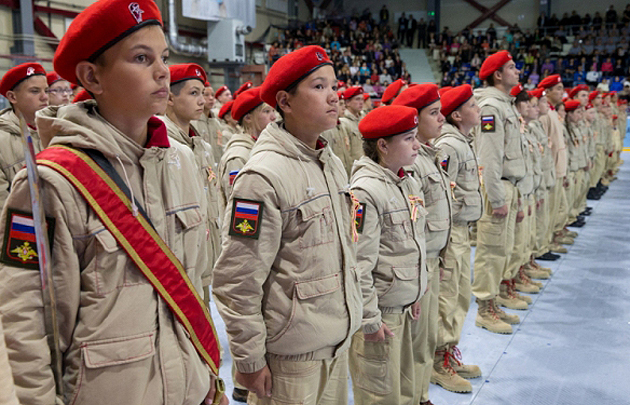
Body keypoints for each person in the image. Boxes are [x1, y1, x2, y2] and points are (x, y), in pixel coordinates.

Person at [0, 1, 227, 403]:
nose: (162, 71)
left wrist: (206, 372)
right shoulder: (51, 183)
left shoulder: (181, 161)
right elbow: (26, 323)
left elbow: (187, 284)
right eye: (141, 58)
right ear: (93, 77)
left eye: (164, 58)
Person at [212, 45, 362, 405]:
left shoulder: (329, 163)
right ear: (285, 101)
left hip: (334, 340)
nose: (334, 95)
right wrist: (248, 358)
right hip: (291, 358)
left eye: (334, 86)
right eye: (319, 87)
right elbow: (238, 278)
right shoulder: (261, 176)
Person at [348, 104, 427, 405]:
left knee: (403, 388)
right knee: (379, 394)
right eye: (408, 138)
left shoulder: (406, 182)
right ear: (382, 145)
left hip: (403, 305)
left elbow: (411, 244)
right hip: (381, 314)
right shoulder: (366, 192)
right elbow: (358, 264)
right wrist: (369, 318)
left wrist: (416, 291)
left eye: (415, 136)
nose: (417, 145)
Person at [392, 83, 453, 404]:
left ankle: (419, 393)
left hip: (429, 259)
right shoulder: (412, 162)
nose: (442, 119)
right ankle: (410, 396)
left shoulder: (429, 154)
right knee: (413, 341)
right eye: (433, 113)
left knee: (424, 337)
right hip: (416, 264)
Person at [432, 84, 483, 392]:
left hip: (462, 230)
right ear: (457, 115)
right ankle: (438, 362)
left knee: (461, 295)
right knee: (448, 297)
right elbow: (442, 193)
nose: (479, 110)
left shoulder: (464, 140)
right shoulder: (450, 145)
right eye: (473, 106)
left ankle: (449, 352)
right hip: (451, 233)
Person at [472, 50, 525, 334]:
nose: (517, 71)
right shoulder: (491, 107)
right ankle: (484, 308)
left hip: (509, 184)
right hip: (498, 185)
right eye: (512, 67)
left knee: (502, 249)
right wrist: (496, 197)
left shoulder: (506, 104)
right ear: (498, 75)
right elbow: (489, 158)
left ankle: (493, 301)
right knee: (491, 250)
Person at [161, 63, 220, 291]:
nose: (202, 101)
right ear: (169, 98)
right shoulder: (163, 147)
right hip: (180, 268)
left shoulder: (201, 146)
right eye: (193, 93)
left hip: (204, 260)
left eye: (202, 93)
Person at [217, 86, 276, 213]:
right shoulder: (239, 157)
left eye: (273, 110)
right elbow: (240, 208)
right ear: (248, 118)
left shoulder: (262, 146)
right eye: (266, 111)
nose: (273, 117)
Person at [0, 62, 48, 209]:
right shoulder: (2, 140)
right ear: (12, 97)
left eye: (46, 90)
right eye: (34, 91)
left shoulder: (56, 130)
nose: (44, 97)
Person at [537, 75, 572, 252]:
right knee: (548, 211)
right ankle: (543, 246)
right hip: (549, 171)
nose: (562, 92)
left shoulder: (552, 113)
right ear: (547, 92)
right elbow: (543, 147)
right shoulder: (545, 116)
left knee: (554, 208)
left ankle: (549, 240)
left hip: (557, 169)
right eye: (558, 89)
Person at [192, 81, 226, 164]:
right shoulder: (193, 123)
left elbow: (220, 146)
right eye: (206, 95)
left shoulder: (216, 123)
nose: (211, 98)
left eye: (212, 95)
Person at [339, 86, 366, 165]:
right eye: (357, 99)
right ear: (347, 102)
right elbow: (345, 152)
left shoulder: (363, 119)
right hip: (354, 166)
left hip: (365, 165)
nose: (361, 102)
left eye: (362, 99)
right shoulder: (343, 122)